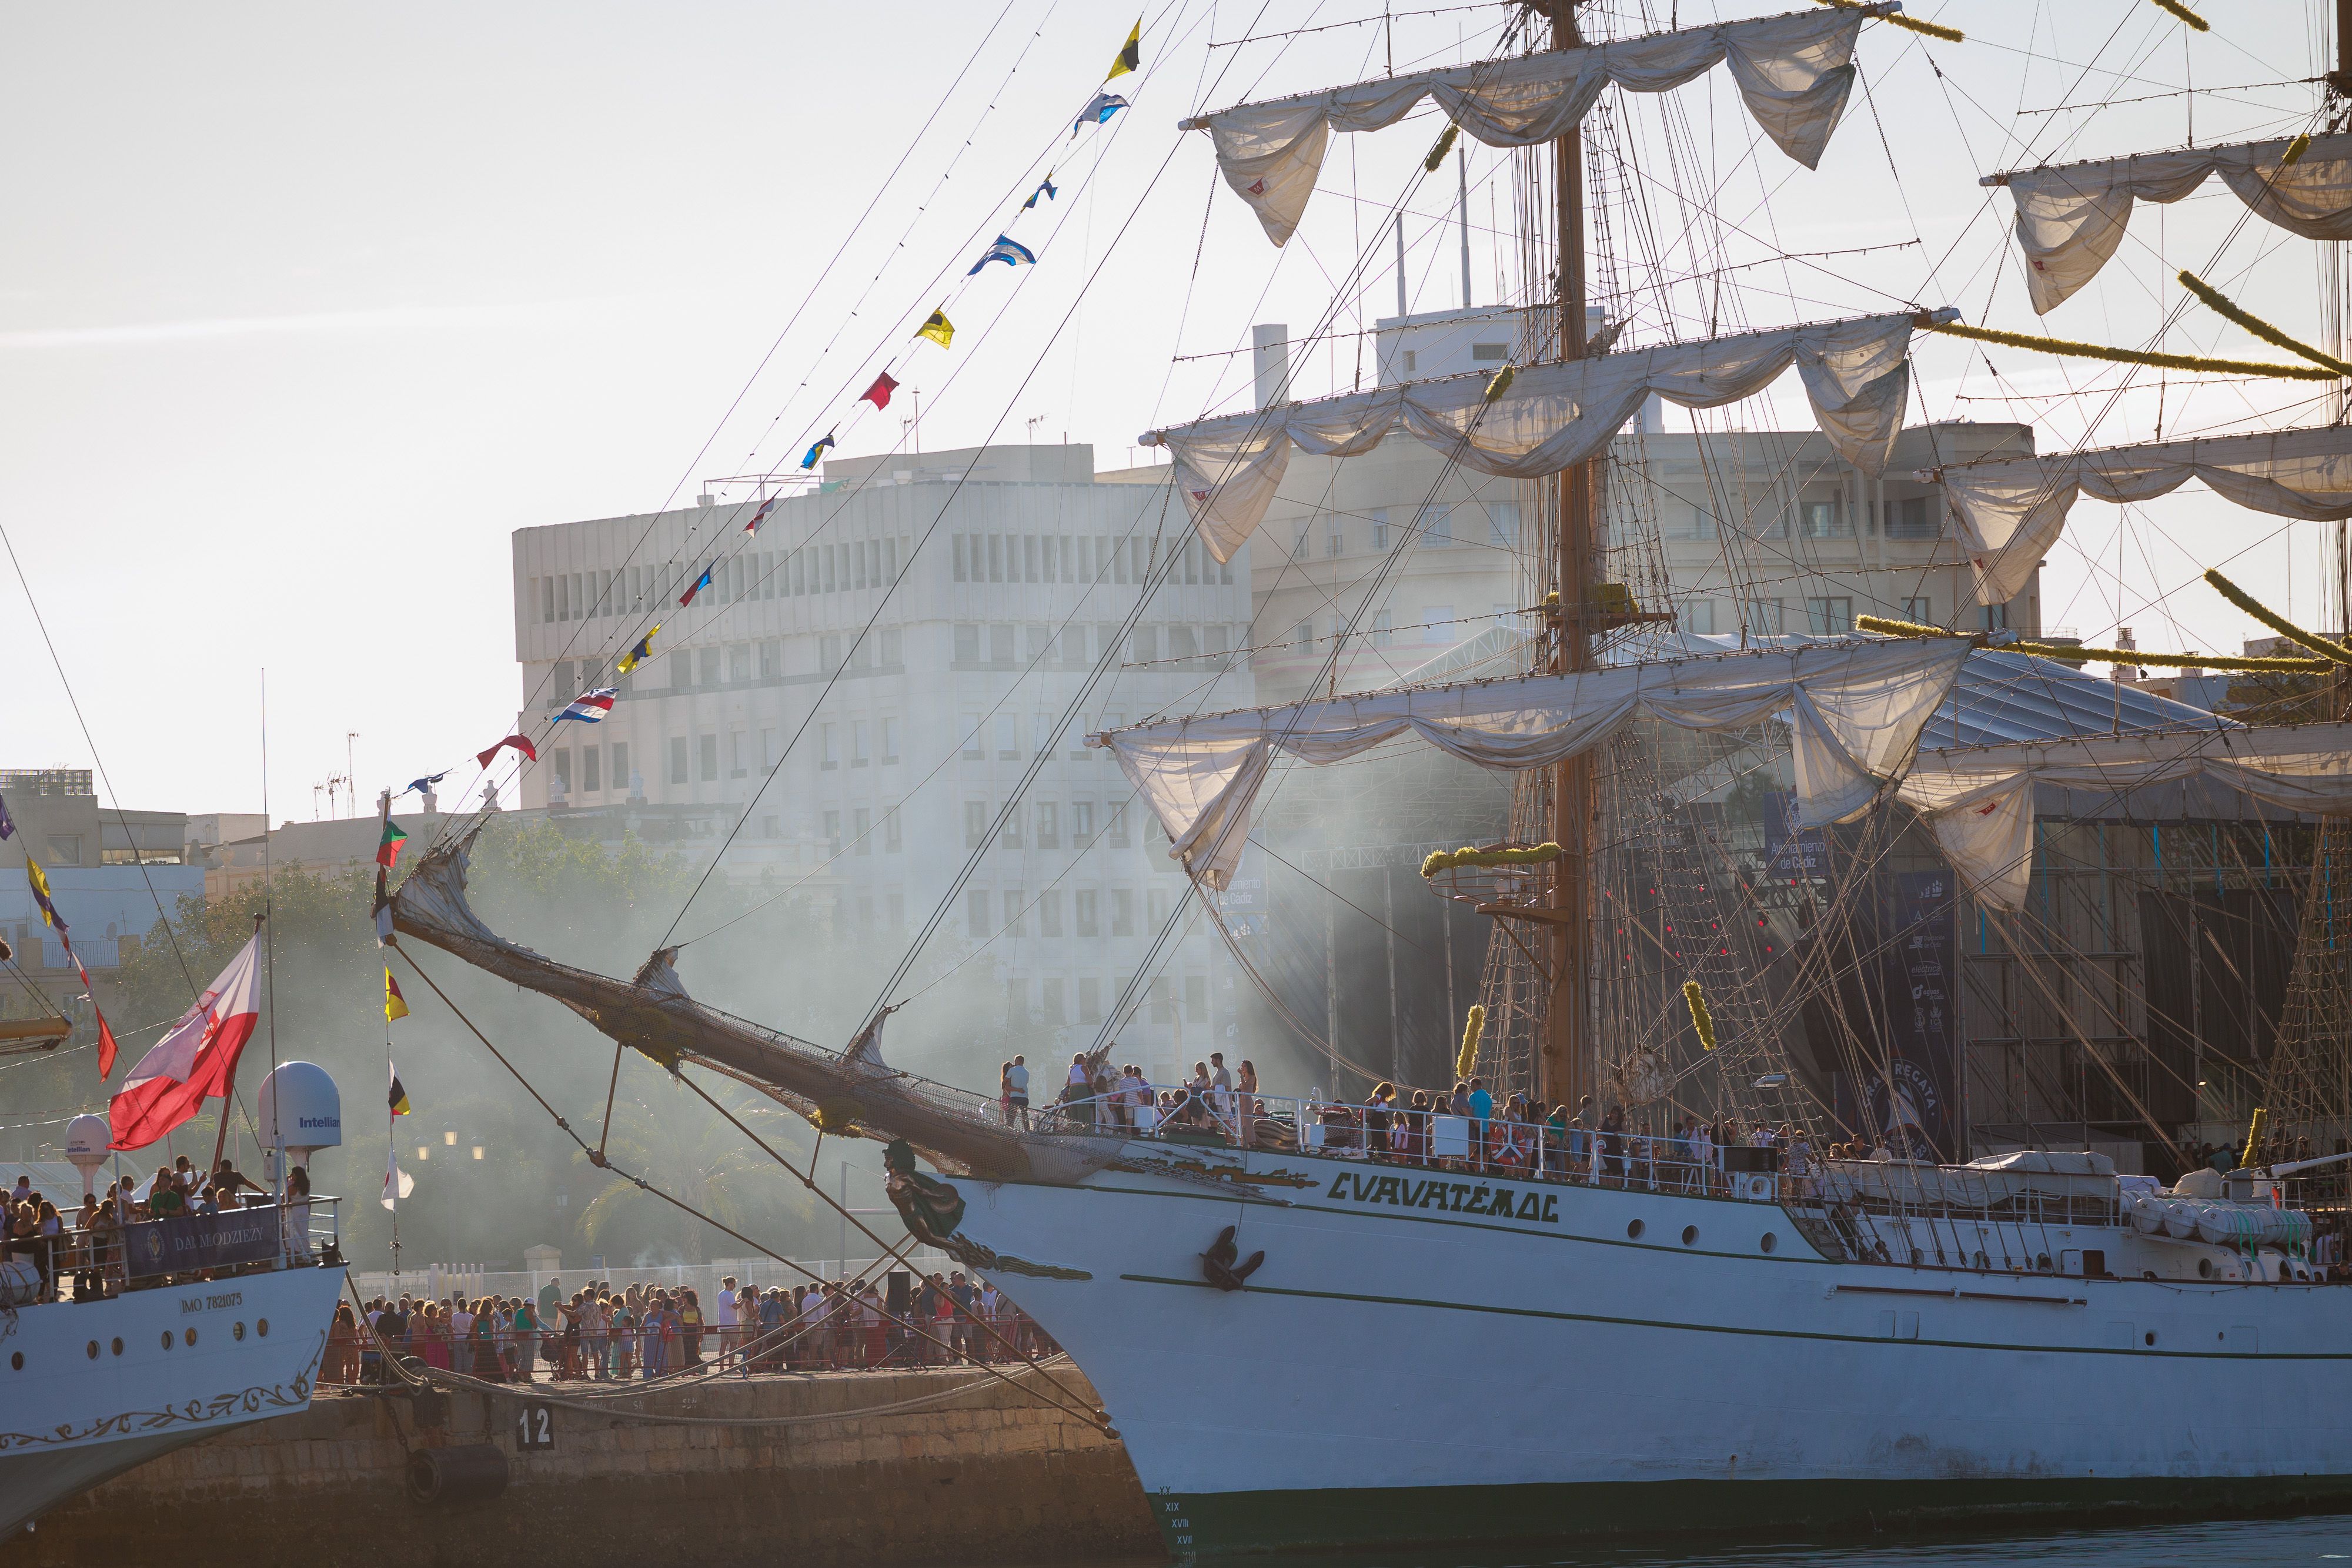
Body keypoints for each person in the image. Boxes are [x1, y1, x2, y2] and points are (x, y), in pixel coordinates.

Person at [1007, 1054, 1031, 1130]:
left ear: (1017, 1061)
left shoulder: (1012, 1070)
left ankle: (1009, 1128)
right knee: (1024, 1114)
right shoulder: (1027, 1072)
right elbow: (1026, 1082)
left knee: (1011, 1114)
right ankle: (1027, 1130)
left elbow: (1005, 1082)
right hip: (1025, 1097)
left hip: (1015, 1097)